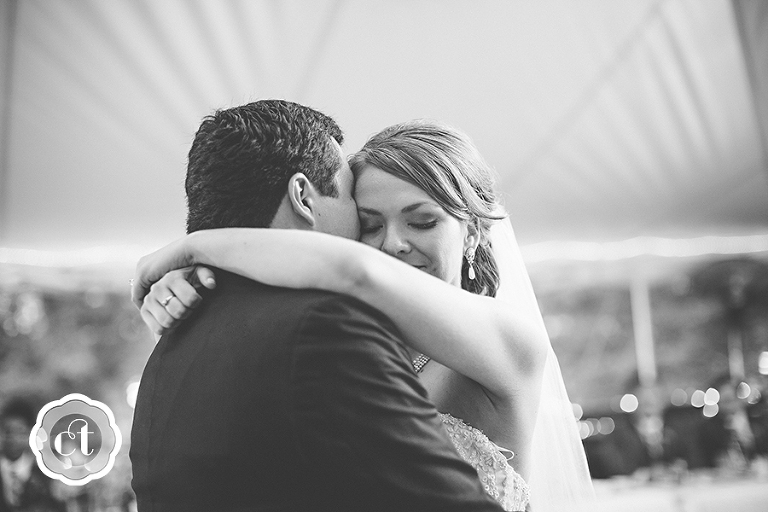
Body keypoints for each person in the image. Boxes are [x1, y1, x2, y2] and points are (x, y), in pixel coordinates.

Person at [133, 119, 595, 511]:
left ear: (472, 233)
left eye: (422, 221)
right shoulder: (348, 346)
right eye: (370, 224)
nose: (392, 244)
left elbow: (355, 273)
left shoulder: (512, 340)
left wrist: (196, 248)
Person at [0, 397, 66, 512]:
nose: (13, 438)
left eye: (20, 432)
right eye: (8, 431)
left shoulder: (44, 472)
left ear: (30, 433)